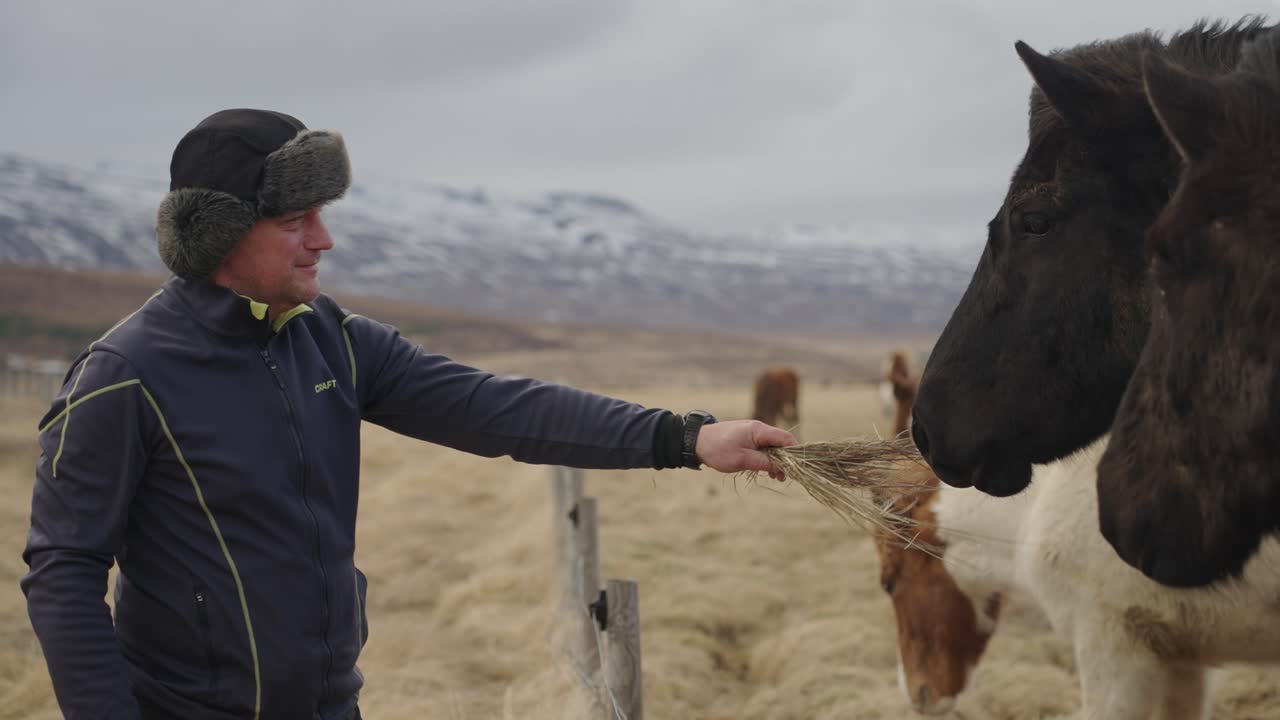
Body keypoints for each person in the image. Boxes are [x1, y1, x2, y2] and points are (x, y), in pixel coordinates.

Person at [19, 108, 796, 720]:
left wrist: (685, 438)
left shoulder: (333, 341)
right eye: (295, 219)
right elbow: (64, 571)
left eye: (321, 212)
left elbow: (496, 408)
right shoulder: (125, 377)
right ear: (218, 230)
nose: (323, 238)